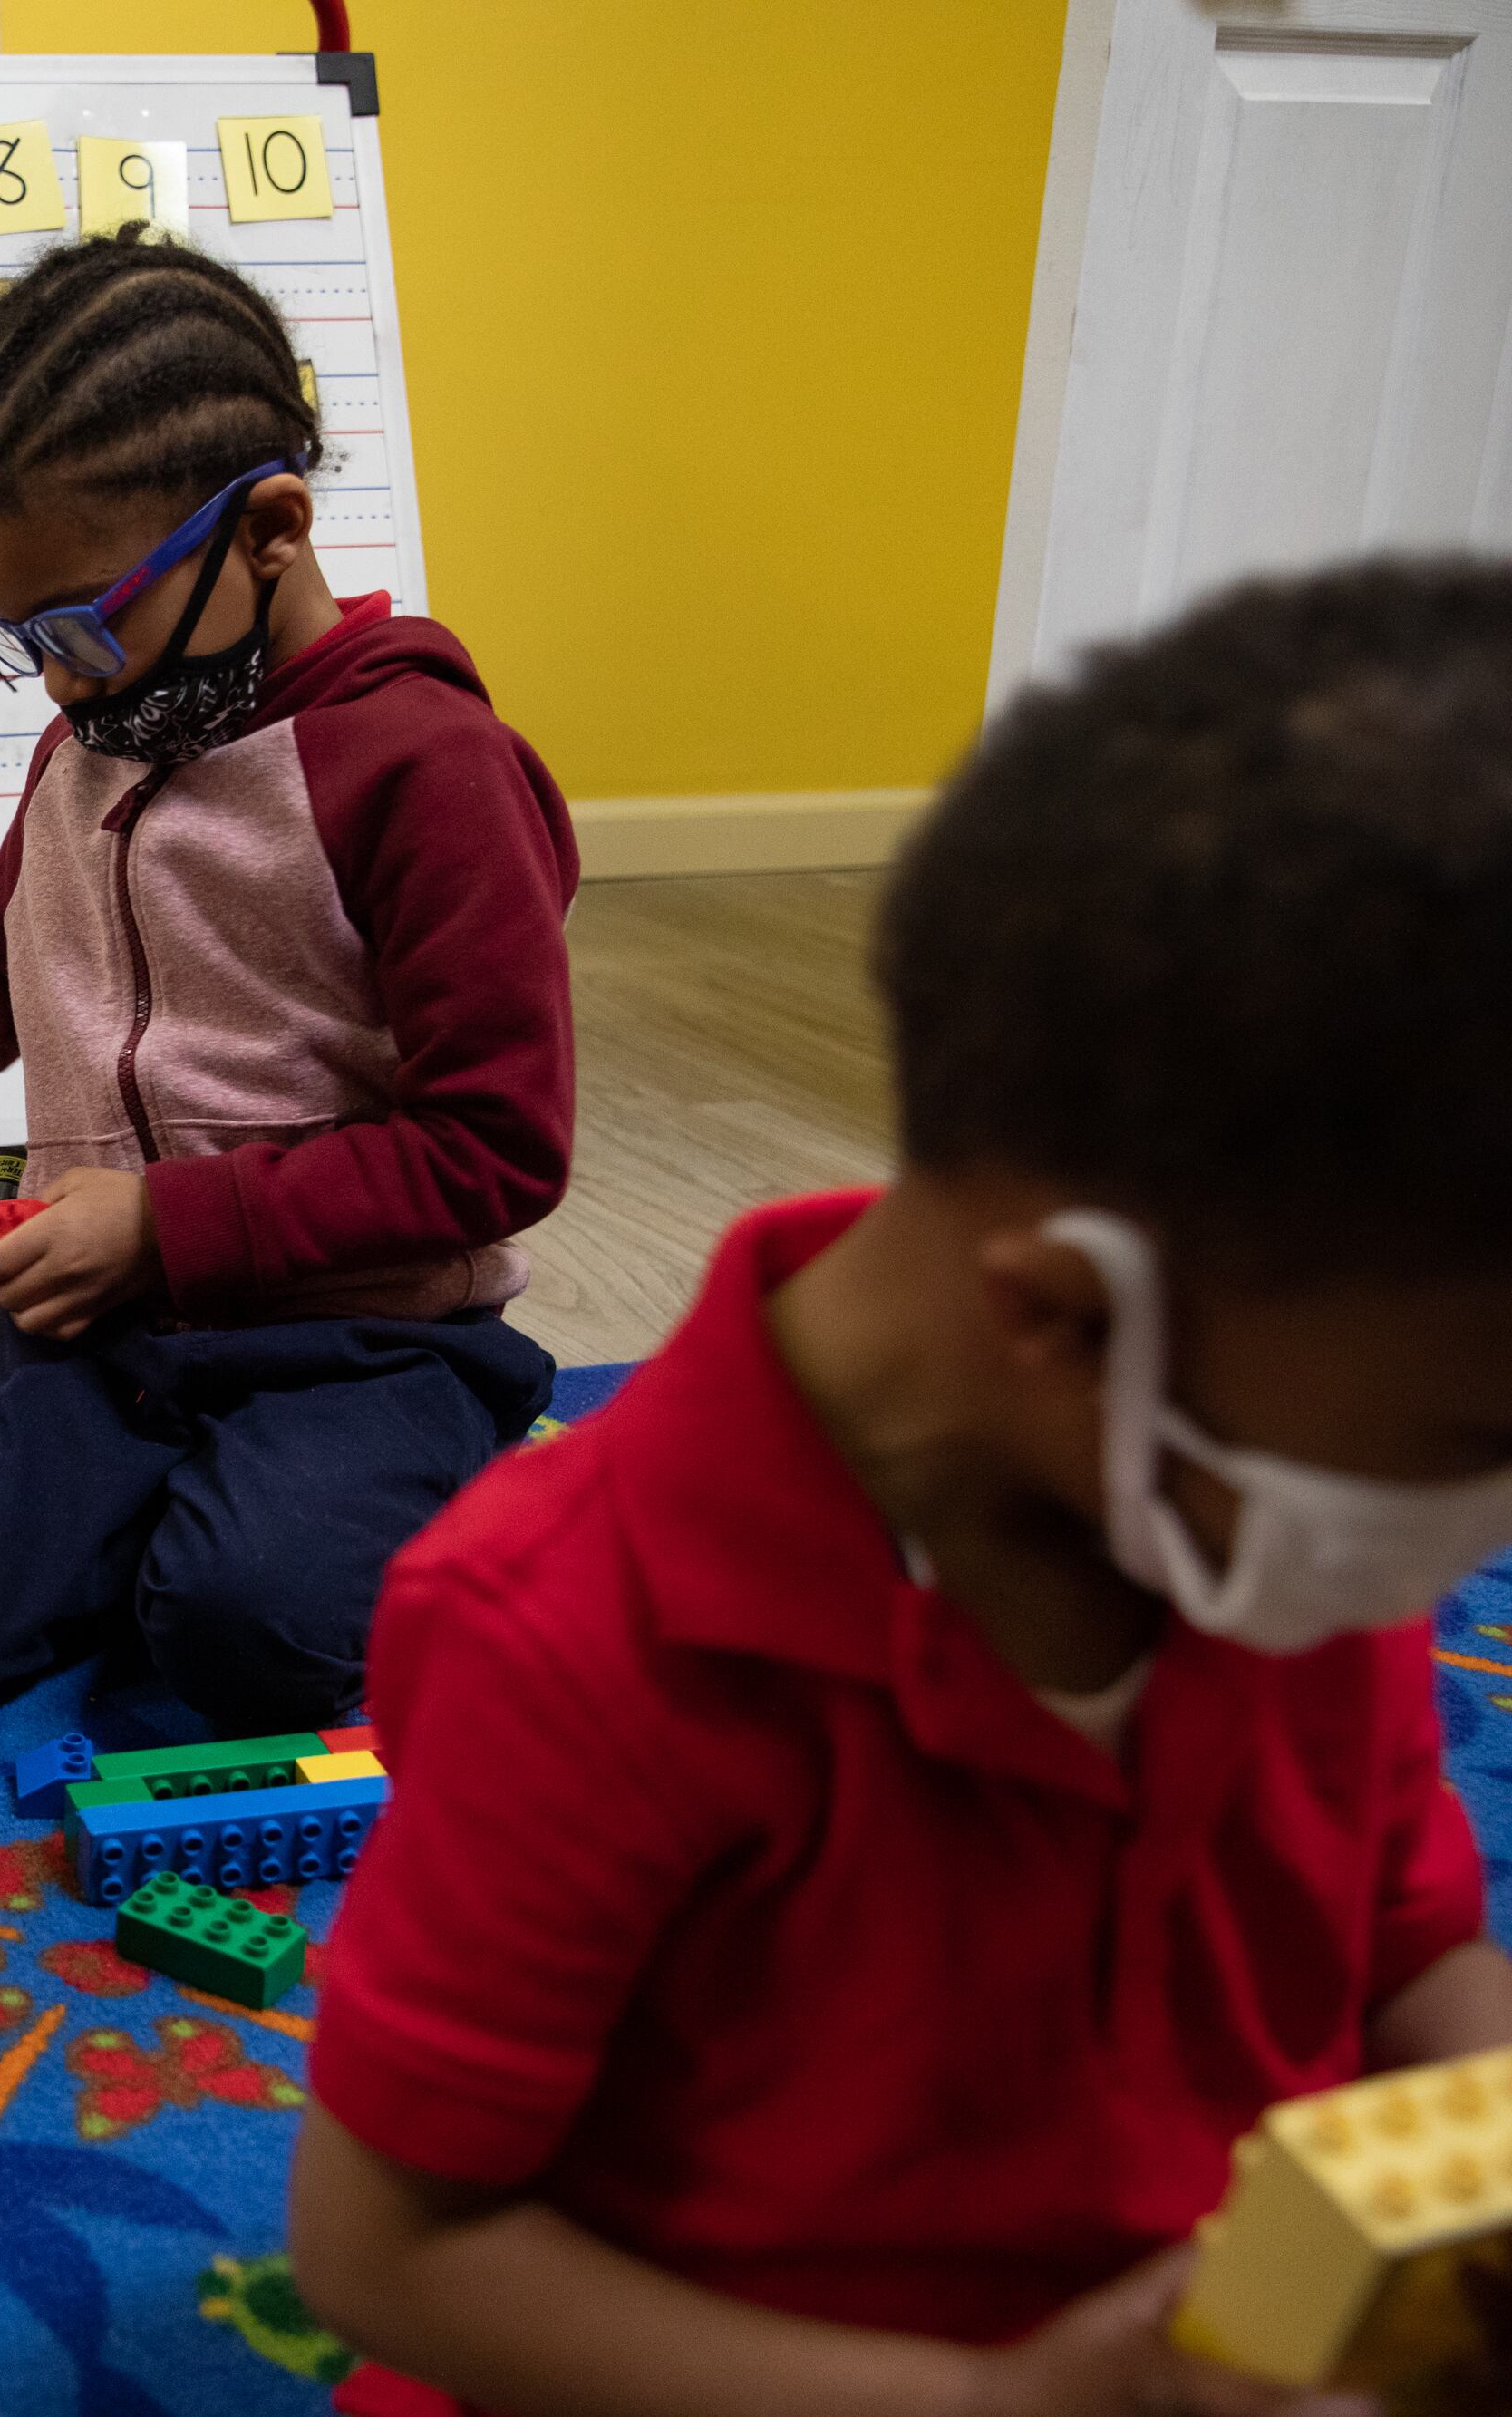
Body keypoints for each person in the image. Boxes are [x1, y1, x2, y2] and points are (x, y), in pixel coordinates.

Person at [287, 559, 1512, 2417]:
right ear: (1065, 1320)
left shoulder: (1257, 1540)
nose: (1470, 1526)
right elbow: (391, 2248)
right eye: (1459, 1440)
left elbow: (1409, 1949)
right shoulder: (563, 1632)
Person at [0, 229, 577, 1736]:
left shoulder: (428, 772)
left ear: (272, 531)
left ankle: (419, 1465)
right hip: (110, 1325)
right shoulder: (88, 747)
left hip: (366, 1335)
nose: (57, 679)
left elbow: (496, 1151)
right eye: (17, 632)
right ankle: (9, 1394)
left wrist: (167, 1227)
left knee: (247, 1642)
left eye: (87, 623)